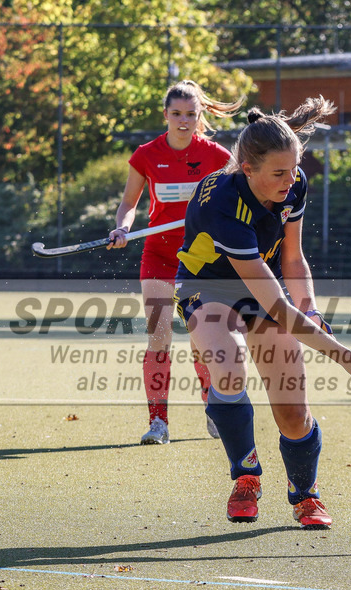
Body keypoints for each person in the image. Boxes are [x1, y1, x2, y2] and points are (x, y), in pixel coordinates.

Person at [174, 96, 351, 530]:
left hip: (263, 278)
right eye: (279, 173)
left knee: (291, 409)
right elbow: (275, 305)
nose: (290, 180)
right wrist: (346, 357)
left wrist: (311, 309)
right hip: (207, 285)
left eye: (294, 169)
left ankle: (305, 494)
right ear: (247, 168)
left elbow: (292, 259)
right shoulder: (221, 204)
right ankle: (246, 476)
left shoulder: (294, 185)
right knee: (228, 366)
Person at [107, 80, 243, 445]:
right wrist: (122, 227)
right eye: (177, 114)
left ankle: (213, 407)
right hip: (159, 255)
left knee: (203, 340)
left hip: (202, 260)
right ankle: (158, 423)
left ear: (201, 116)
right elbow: (129, 204)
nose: (183, 121)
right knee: (159, 335)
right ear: (165, 114)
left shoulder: (217, 156)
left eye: (191, 114)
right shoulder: (146, 155)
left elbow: (235, 199)